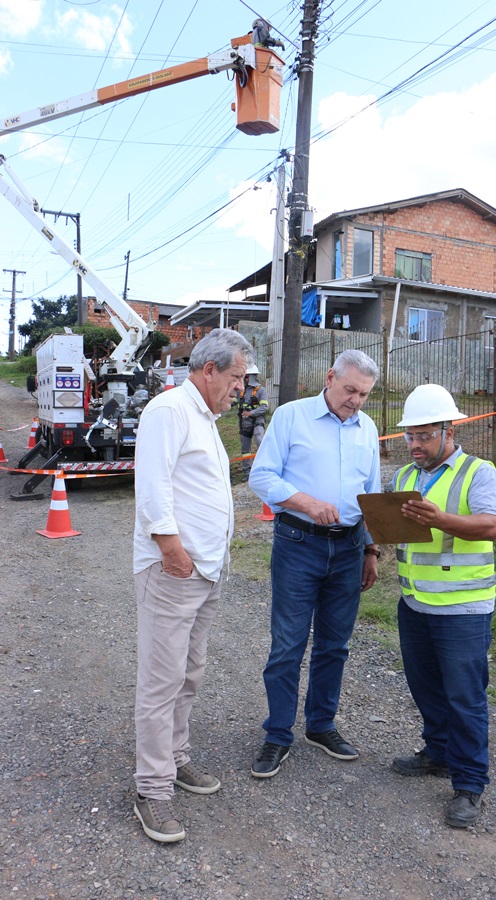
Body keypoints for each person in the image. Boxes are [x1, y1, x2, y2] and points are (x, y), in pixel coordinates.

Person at [132, 328, 253, 843]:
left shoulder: (203, 416)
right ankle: (151, 789)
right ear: (208, 370)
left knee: (190, 671)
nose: (240, 389)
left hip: (204, 570)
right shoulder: (169, 411)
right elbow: (153, 485)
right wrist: (171, 550)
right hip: (175, 570)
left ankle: (176, 758)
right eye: (236, 378)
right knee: (162, 680)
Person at [248, 349, 382, 778]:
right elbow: (261, 476)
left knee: (335, 645)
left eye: (363, 394)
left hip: (348, 549)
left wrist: (370, 550)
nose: (356, 401)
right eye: (350, 390)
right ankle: (278, 734)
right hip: (298, 543)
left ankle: (320, 725)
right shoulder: (291, 417)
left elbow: (372, 497)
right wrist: (305, 501)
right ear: (329, 378)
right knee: (288, 644)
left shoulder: (367, 429)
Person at [389, 384, 496, 828]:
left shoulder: (479, 472)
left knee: (465, 697)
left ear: (448, 430)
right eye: (410, 437)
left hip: (463, 610)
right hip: (415, 604)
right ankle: (438, 753)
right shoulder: (404, 478)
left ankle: (470, 784)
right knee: (426, 689)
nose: (415, 445)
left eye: (423, 436)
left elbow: (491, 526)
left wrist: (442, 520)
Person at [237, 364, 269, 479]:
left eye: (246, 376)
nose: (244, 379)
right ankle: (247, 473)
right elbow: (233, 402)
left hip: (257, 422)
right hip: (244, 424)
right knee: (245, 450)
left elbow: (264, 407)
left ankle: (266, 469)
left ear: (251, 377)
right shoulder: (241, 390)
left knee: (261, 443)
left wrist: (251, 413)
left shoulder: (261, 390)